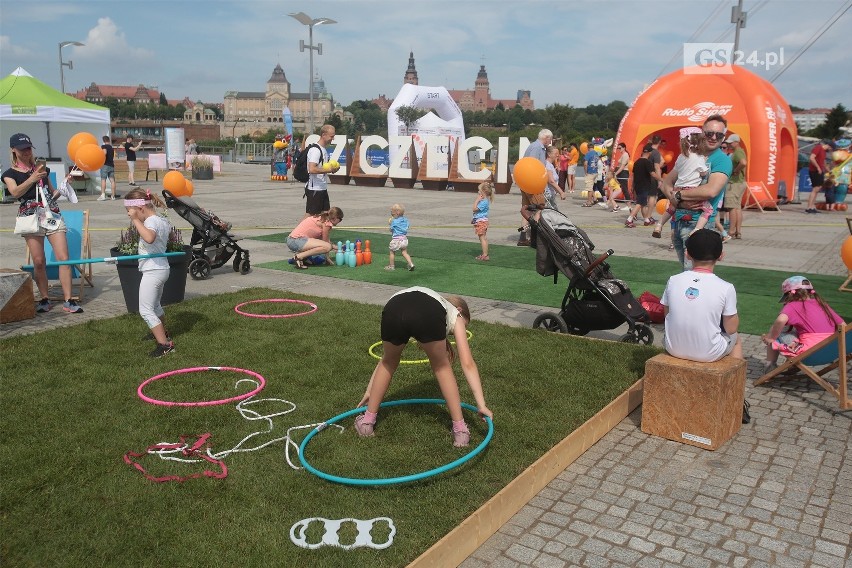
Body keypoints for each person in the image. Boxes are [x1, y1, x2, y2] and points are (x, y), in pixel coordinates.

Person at [354, 286, 493, 447]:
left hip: (393, 307)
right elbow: (467, 363)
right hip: (427, 313)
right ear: (460, 310)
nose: (451, 334)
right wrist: (481, 404)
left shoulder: (435, 300)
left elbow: (384, 361)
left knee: (389, 361)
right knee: (442, 367)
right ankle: (461, 432)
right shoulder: (456, 315)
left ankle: (367, 422)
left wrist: (371, 391)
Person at [3, 133, 83, 314]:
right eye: (22, 149)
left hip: (51, 214)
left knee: (64, 258)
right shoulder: (9, 174)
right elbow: (15, 193)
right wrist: (32, 178)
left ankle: (68, 300)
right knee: (39, 261)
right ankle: (45, 298)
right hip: (30, 216)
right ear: (14, 150)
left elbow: (52, 194)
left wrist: (64, 186)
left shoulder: (42, 170)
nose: (26, 152)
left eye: (29, 148)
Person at [662, 114, 733, 270]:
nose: (714, 137)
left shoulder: (722, 160)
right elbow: (666, 183)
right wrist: (675, 200)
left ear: (723, 138)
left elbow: (711, 190)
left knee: (694, 275)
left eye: (719, 135)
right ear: (701, 133)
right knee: (686, 272)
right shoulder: (689, 155)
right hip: (678, 222)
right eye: (709, 133)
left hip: (699, 225)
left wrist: (678, 195)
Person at [661, 229, 742, 362]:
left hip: (673, 347)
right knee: (736, 339)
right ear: (721, 256)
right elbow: (731, 328)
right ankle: (736, 379)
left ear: (687, 254)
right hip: (708, 353)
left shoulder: (673, 280)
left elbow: (667, 314)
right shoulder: (726, 287)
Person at [124, 188, 174, 357]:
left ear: (141, 209)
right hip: (160, 268)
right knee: (155, 306)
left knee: (145, 310)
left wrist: (136, 221)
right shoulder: (160, 220)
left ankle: (165, 345)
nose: (129, 216)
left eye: (131, 212)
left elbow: (150, 238)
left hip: (153, 270)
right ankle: (163, 334)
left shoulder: (151, 221)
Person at [761, 276, 845, 373]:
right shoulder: (821, 303)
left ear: (789, 294)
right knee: (795, 330)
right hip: (832, 350)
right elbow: (842, 325)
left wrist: (771, 338)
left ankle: (770, 366)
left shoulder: (792, 306)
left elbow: (780, 321)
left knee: (777, 331)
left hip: (809, 353)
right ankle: (792, 366)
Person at [654, 127, 711, 238]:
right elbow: (704, 173)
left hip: (678, 189)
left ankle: (659, 225)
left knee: (672, 208)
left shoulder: (681, 157)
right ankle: (697, 229)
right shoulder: (699, 158)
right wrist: (704, 164)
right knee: (708, 210)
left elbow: (678, 170)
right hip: (691, 189)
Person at [518, 128, 552, 246]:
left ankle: (523, 237)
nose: (550, 141)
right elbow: (531, 166)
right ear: (546, 137)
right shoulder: (537, 148)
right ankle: (536, 238)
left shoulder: (535, 146)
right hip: (533, 184)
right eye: (550, 139)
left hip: (526, 183)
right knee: (539, 208)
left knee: (526, 210)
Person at [304, 124, 341, 218]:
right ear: (324, 135)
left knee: (325, 214)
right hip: (314, 188)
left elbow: (323, 168)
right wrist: (328, 169)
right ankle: (295, 233)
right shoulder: (315, 150)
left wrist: (332, 170)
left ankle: (321, 232)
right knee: (311, 215)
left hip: (322, 187)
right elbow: (311, 169)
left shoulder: (323, 149)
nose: (333, 139)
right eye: (331, 136)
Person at [624, 144, 655, 228]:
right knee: (639, 203)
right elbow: (652, 173)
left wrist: (632, 186)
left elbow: (633, 175)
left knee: (643, 204)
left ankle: (646, 220)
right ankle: (629, 219)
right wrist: (660, 179)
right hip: (644, 186)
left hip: (637, 185)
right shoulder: (647, 162)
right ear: (649, 153)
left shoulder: (637, 162)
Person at [723, 134, 747, 239]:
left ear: (736, 142)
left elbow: (743, 163)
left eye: (730, 143)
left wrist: (735, 171)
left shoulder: (737, 152)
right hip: (740, 183)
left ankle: (731, 231)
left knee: (732, 208)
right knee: (737, 208)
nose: (729, 144)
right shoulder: (740, 151)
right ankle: (738, 231)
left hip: (734, 184)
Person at [805, 139, 836, 213]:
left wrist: (828, 169)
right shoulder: (818, 147)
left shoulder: (824, 152)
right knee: (815, 189)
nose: (830, 150)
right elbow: (812, 158)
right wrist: (818, 167)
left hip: (820, 171)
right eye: (831, 149)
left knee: (818, 189)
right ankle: (809, 207)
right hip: (814, 171)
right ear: (829, 146)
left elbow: (823, 162)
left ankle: (812, 207)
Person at [386, 203, 414, 271]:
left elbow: (391, 230)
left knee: (392, 252)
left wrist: (390, 224)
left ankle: (391, 266)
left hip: (396, 240)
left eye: (392, 214)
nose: (392, 215)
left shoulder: (394, 221)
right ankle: (411, 264)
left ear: (397, 213)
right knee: (404, 252)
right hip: (404, 240)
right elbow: (407, 227)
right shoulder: (406, 220)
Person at [473, 181, 494, 261]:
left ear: (484, 192)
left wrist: (476, 200)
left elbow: (474, 209)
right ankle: (484, 254)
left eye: (479, 191)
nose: (478, 192)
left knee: (482, 238)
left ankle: (485, 255)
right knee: (483, 238)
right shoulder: (484, 201)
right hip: (481, 220)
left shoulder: (483, 202)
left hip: (481, 221)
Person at [544, 145, 566, 209]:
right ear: (549, 154)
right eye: (556, 153)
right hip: (548, 195)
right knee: (553, 215)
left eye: (558, 154)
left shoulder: (550, 165)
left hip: (551, 195)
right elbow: (551, 181)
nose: (557, 155)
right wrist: (561, 192)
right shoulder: (547, 164)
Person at [98, 135, 117, 201]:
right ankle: (113, 196)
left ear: (103, 141)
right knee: (112, 181)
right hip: (111, 165)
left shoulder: (104, 146)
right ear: (109, 140)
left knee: (103, 180)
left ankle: (103, 195)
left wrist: (100, 157)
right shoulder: (111, 148)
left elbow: (104, 153)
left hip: (105, 165)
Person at [581, 142, 600, 207]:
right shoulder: (596, 153)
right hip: (595, 172)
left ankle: (589, 202)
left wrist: (585, 171)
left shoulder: (588, 154)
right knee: (591, 186)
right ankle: (594, 198)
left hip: (590, 172)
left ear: (588, 148)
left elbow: (585, 163)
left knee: (589, 188)